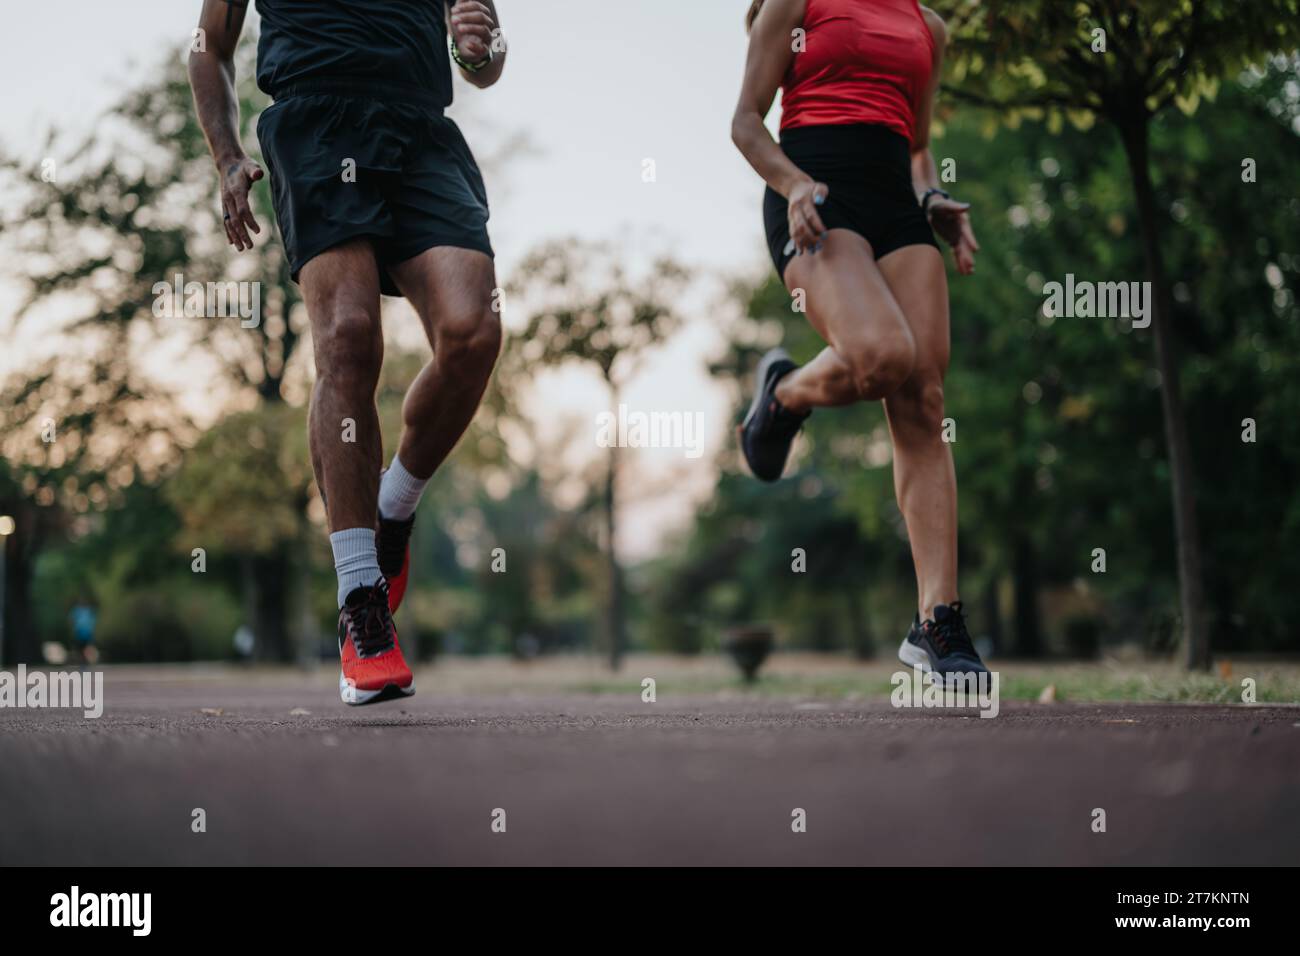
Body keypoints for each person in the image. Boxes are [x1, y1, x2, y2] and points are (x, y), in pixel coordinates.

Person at [189, 0, 507, 704]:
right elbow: (206, 47)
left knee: (473, 333)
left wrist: (480, 52)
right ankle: (361, 600)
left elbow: (484, 58)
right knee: (348, 337)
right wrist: (228, 157)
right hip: (315, 121)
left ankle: (396, 504)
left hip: (421, 129)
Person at [731, 0, 988, 682]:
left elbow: (916, 146)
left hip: (895, 204)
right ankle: (785, 395)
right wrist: (791, 187)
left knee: (925, 399)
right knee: (882, 357)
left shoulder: (927, 26)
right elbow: (746, 123)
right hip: (816, 193)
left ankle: (938, 622)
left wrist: (934, 201)